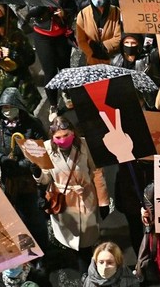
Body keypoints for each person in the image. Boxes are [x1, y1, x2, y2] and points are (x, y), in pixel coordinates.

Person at [34, 116, 110, 272]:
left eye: (66, 135)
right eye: (58, 137)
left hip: (85, 198)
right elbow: (46, 178)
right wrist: (37, 174)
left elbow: (96, 172)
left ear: (73, 133)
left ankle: (88, 270)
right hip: (63, 202)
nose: (63, 140)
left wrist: (103, 201)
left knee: (86, 241)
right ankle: (80, 265)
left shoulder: (83, 144)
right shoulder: (47, 149)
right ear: (52, 137)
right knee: (70, 239)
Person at [0, 87, 49, 253]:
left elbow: (42, 150)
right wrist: (3, 160)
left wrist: (22, 164)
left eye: (10, 107)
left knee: (34, 217)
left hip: (29, 180)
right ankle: (27, 250)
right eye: (4, 108)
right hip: (9, 178)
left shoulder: (32, 124)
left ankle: (43, 249)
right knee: (15, 216)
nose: (7, 111)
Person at [30, 0, 76, 118]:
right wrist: (45, 0)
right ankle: (53, 105)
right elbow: (32, 12)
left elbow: (72, 7)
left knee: (65, 68)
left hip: (61, 34)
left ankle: (67, 93)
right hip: (43, 35)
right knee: (50, 72)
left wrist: (64, 14)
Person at [0, 3, 41, 112]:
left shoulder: (17, 35)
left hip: (20, 84)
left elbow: (30, 57)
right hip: (1, 87)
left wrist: (12, 54)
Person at [76, 0, 122, 66]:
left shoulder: (116, 12)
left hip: (112, 61)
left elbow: (119, 37)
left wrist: (104, 47)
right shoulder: (82, 14)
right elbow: (81, 40)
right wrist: (92, 53)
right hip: (91, 61)